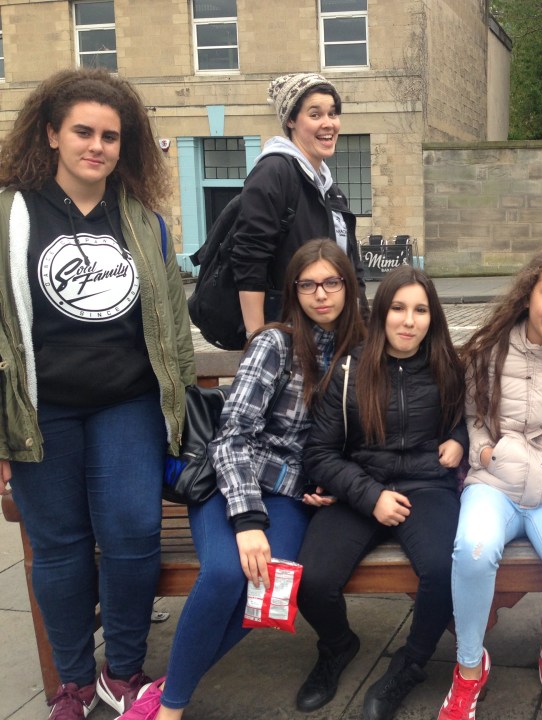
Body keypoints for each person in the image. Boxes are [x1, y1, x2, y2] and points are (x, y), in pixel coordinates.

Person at [0, 68, 194, 719]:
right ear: (51, 134)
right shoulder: (10, 214)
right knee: (58, 548)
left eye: (110, 136)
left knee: (133, 532)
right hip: (41, 410)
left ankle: (125, 670)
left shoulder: (142, 221)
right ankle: (75, 683)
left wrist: (178, 412)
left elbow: (172, 326)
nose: (97, 146)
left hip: (126, 405)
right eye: (83, 131)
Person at [119, 240, 366, 720]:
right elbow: (232, 437)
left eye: (331, 282)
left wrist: (330, 481)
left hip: (292, 496)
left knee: (267, 588)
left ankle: (168, 689)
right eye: (308, 284)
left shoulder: (360, 353)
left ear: (348, 287)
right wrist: (248, 519)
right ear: (293, 291)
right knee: (225, 574)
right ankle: (170, 709)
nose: (321, 294)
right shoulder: (276, 345)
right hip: (230, 483)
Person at [436, 249, 542, 720]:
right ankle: (469, 667)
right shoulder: (491, 349)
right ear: (529, 294)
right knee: (472, 551)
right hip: (496, 486)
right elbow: (474, 418)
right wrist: (485, 454)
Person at [295, 265, 467, 720]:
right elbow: (319, 453)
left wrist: (459, 439)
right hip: (361, 486)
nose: (409, 321)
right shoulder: (349, 371)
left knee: (444, 568)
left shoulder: (447, 367)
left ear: (432, 317)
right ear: (381, 313)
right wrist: (371, 496)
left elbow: (465, 421)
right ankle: (337, 645)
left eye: (420, 310)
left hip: (426, 487)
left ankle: (409, 665)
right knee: (312, 580)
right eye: (398, 308)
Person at [232, 72, 368, 336]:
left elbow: (352, 266)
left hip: (335, 334)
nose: (328, 124)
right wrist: (258, 338)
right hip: (289, 332)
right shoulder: (274, 172)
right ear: (291, 120)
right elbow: (250, 257)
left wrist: (362, 328)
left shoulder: (331, 190)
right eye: (315, 114)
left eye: (333, 113)